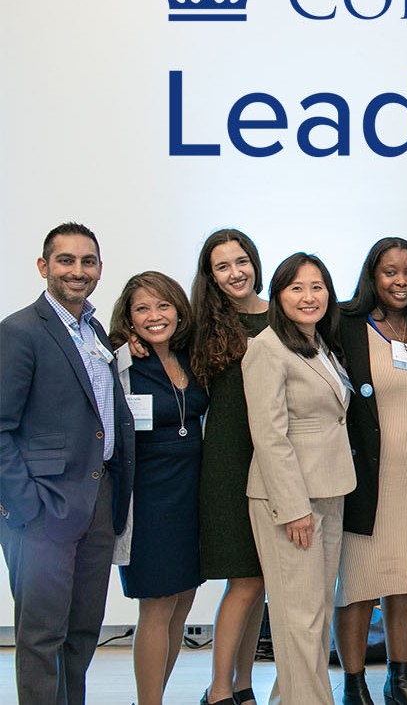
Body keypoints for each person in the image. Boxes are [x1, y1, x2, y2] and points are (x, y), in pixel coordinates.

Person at [1, 223, 136, 705]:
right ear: (44, 267)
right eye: (66, 261)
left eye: (88, 261)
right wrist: (25, 505)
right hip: (43, 507)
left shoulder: (94, 330)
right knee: (41, 639)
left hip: (97, 501)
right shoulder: (19, 332)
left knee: (82, 633)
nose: (78, 271)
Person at [335, 238, 407, 705]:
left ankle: (399, 682)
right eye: (389, 272)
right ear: (372, 276)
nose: (400, 281)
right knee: (359, 584)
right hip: (367, 478)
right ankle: (354, 685)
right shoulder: (344, 324)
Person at [244, 253, 356, 705]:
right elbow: (270, 436)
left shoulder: (317, 344)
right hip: (291, 500)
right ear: (278, 295)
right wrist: (293, 508)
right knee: (299, 618)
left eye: (317, 287)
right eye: (296, 288)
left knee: (314, 614)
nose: (309, 297)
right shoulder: (267, 349)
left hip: (330, 488)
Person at [109, 272, 210, 705]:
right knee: (156, 605)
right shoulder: (123, 362)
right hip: (148, 500)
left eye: (163, 305)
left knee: (183, 600)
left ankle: (153, 697)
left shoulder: (192, 356)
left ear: (178, 309)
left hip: (192, 496)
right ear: (129, 318)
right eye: (142, 309)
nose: (155, 316)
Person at [191, 228, 271, 705]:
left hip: (276, 459)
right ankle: (219, 691)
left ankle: (243, 689)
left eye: (241, 261)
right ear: (211, 276)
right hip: (227, 461)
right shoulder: (202, 324)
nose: (235, 272)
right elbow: (148, 335)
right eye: (223, 266)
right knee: (243, 578)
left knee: (260, 580)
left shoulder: (281, 312)